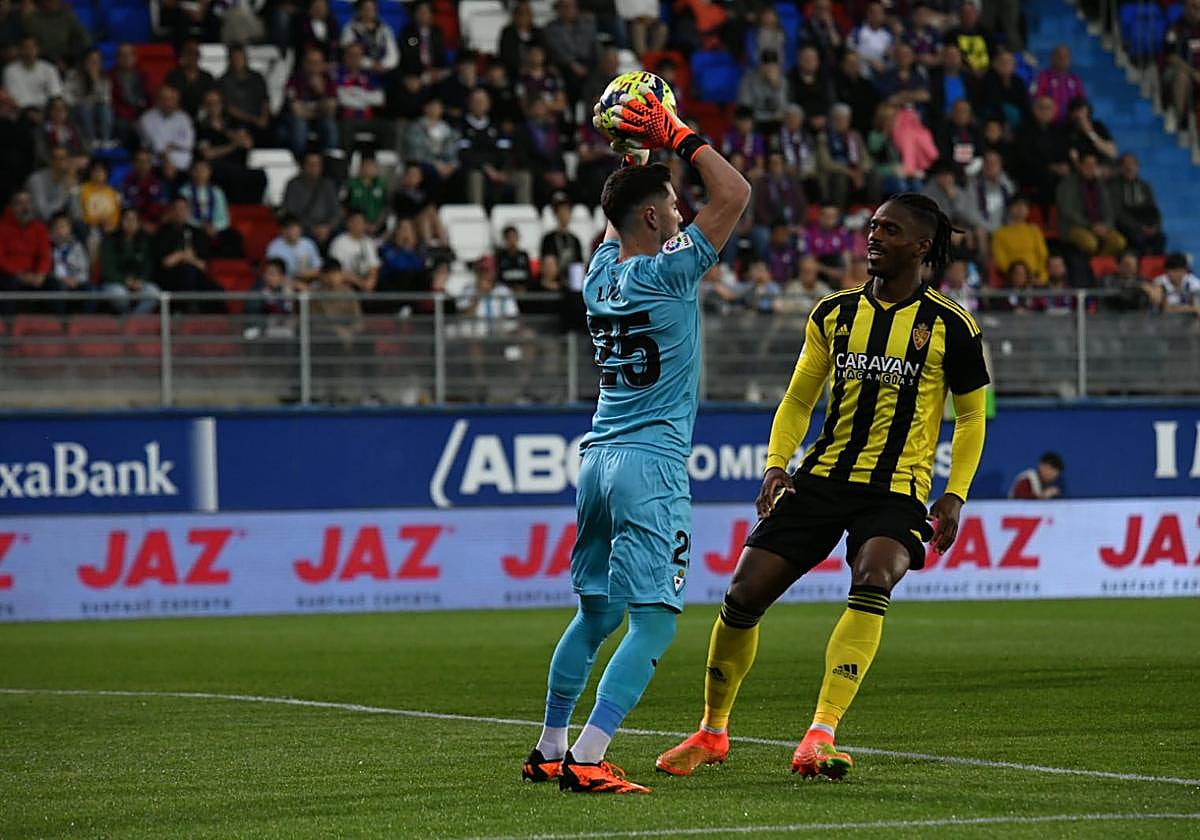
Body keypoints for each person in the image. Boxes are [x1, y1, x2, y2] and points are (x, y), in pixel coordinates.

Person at [656, 192, 989, 781]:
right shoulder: (832, 313)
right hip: (821, 477)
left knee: (875, 575)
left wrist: (955, 493)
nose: (874, 237)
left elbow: (971, 417)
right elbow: (798, 399)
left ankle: (820, 733)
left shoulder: (952, 326)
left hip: (896, 488)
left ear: (922, 246)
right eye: (873, 226)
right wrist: (775, 463)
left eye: (890, 230)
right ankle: (712, 732)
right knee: (743, 594)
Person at [522, 91, 750, 794]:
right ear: (653, 219)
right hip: (651, 464)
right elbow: (735, 193)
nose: (682, 214)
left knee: (595, 614)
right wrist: (676, 134)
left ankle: (549, 746)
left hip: (596, 460)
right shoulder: (671, 272)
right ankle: (588, 756)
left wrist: (633, 158)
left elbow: (620, 215)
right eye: (674, 207)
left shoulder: (598, 274)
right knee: (653, 624)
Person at [1056, 152, 1126, 257]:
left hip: (1101, 226)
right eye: (1087, 164)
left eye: (1094, 165)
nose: (1091, 167)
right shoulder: (1067, 184)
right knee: (1090, 244)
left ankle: (1100, 261)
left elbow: (1109, 210)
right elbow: (1067, 211)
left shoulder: (1101, 184)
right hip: (1075, 226)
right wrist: (1091, 226)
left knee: (1119, 242)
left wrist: (1106, 225)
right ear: (1080, 165)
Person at [101, 207, 159, 314]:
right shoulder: (110, 240)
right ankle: (131, 319)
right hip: (115, 283)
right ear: (120, 222)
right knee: (120, 295)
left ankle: (132, 319)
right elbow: (107, 269)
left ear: (138, 223)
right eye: (127, 219)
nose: (130, 223)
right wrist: (124, 280)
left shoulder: (144, 241)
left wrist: (141, 280)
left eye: (133, 220)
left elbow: (148, 266)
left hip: (138, 283)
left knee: (154, 292)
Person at [281, 150, 342, 246]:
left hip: (327, 230)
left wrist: (328, 227)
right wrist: (313, 228)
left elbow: (336, 211)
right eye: (310, 164)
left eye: (317, 164)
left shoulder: (328, 185)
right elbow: (291, 213)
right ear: (303, 166)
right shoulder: (293, 185)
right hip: (304, 230)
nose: (313, 168)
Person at [327, 208, 380, 293]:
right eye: (354, 222)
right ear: (348, 223)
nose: (357, 225)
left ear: (365, 224)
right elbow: (336, 271)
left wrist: (370, 282)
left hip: (364, 283)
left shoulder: (369, 242)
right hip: (346, 283)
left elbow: (373, 267)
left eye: (360, 222)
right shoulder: (339, 242)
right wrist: (361, 283)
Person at [265, 215, 322, 285]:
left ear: (300, 229)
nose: (291, 232)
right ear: (282, 230)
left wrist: (303, 275)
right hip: (283, 285)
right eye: (288, 228)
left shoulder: (308, 244)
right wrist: (294, 284)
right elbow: (272, 274)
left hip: (307, 283)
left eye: (294, 228)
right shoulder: (274, 247)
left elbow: (318, 269)